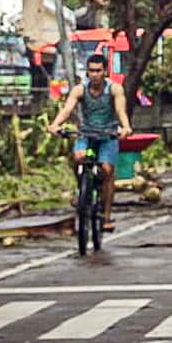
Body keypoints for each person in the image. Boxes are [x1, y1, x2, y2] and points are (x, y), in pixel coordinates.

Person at [48, 54, 132, 231]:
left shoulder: (114, 89)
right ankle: (81, 191)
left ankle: (107, 216)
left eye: (98, 71)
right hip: (86, 133)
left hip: (108, 134)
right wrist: (56, 124)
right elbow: (67, 109)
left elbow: (120, 110)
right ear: (87, 72)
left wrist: (125, 127)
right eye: (91, 71)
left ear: (105, 72)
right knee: (78, 157)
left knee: (107, 170)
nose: (95, 74)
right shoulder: (80, 90)